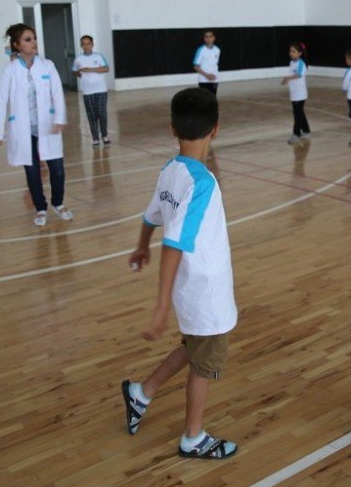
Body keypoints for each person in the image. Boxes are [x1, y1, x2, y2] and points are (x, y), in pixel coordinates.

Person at [122, 87, 238, 460]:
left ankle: (143, 392)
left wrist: (141, 246)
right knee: (204, 364)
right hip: (206, 292)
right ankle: (193, 437)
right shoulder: (202, 184)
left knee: (193, 348)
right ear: (216, 129)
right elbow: (174, 244)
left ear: (172, 129)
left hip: (190, 290)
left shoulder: (171, 170)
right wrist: (159, 312)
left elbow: (150, 216)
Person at [0, 23, 72, 227]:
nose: (34, 42)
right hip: (23, 130)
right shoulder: (10, 70)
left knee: (58, 169)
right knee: (32, 172)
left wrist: (59, 118)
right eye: (28, 40)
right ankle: (41, 208)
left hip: (47, 126)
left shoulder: (47, 65)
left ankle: (58, 203)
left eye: (34, 38)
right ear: (17, 45)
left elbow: (57, 93)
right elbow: (1, 101)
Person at [72, 35, 111, 147]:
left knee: (102, 113)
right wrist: (78, 74)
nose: (86, 46)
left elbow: (106, 68)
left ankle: (105, 135)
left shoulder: (98, 56)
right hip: (88, 92)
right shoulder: (78, 59)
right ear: (81, 46)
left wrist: (90, 69)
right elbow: (74, 70)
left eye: (88, 43)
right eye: (83, 44)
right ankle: (95, 138)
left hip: (101, 90)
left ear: (92, 44)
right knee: (91, 115)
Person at [281, 42, 310, 145]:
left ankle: (296, 134)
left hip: (300, 94)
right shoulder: (291, 63)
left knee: (297, 114)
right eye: (290, 51)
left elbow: (299, 75)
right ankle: (306, 131)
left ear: (300, 53)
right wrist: (287, 80)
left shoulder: (301, 64)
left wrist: (288, 78)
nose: (291, 53)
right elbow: (292, 75)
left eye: (294, 51)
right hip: (294, 93)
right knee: (299, 113)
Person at [193, 30, 220, 95]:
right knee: (204, 100)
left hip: (214, 80)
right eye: (206, 37)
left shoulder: (217, 50)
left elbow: (215, 64)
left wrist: (213, 76)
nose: (209, 39)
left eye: (210, 37)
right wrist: (207, 75)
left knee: (213, 99)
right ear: (204, 39)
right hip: (203, 80)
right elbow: (196, 66)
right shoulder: (200, 50)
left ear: (214, 38)